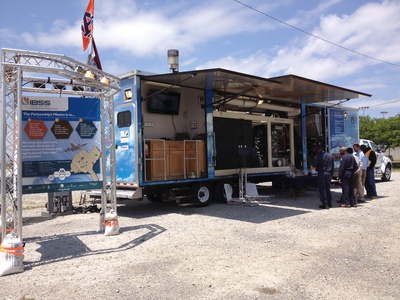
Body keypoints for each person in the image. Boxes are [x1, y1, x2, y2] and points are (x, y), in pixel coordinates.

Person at [312, 144, 334, 209]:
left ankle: (324, 203)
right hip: (329, 173)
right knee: (328, 189)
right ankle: (330, 203)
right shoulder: (330, 156)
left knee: (322, 189)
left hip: (322, 173)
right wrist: (331, 175)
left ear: (319, 149)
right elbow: (332, 166)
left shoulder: (319, 156)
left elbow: (314, 164)